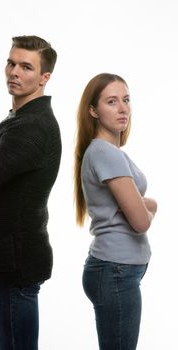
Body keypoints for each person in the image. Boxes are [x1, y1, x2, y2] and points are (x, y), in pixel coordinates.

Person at [0, 35, 61, 350]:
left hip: (13, 267)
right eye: (11, 63)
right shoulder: (18, 119)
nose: (14, 72)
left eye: (26, 67)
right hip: (0, 264)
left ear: (44, 77)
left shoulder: (31, 128)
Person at [74, 73, 157, 350]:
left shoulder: (108, 151)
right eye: (112, 101)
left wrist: (142, 206)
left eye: (126, 99)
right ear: (93, 110)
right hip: (116, 271)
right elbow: (141, 221)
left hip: (116, 270)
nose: (123, 108)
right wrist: (151, 206)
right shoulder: (105, 153)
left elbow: (135, 209)